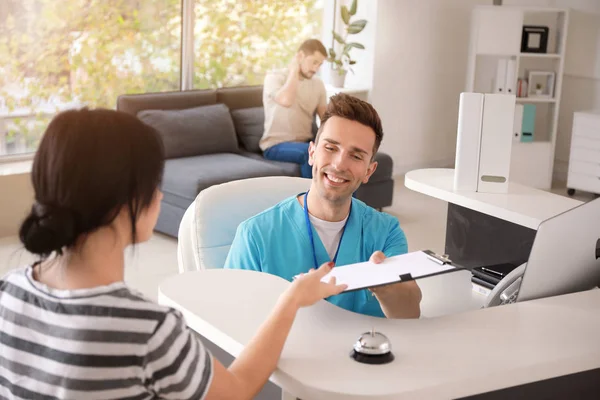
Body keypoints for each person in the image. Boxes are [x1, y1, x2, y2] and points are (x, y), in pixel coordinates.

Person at [0, 108, 346, 400]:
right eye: (155, 181)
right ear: (125, 201)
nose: (161, 195)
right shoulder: (146, 329)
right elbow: (236, 391)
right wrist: (292, 300)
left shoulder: (7, 293)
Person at [225, 94, 422, 319]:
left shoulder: (386, 232)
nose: (339, 164)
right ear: (312, 153)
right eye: (330, 148)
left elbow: (408, 316)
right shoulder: (255, 235)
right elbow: (231, 321)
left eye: (356, 156)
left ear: (369, 171)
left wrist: (386, 288)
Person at [260, 38, 328, 178]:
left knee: (344, 157)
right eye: (314, 62)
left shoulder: (318, 84)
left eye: (320, 64)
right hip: (275, 145)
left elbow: (326, 119)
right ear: (300, 56)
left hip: (305, 142)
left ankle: (349, 201)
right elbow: (286, 100)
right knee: (309, 153)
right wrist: (294, 71)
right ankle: (312, 200)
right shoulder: (274, 77)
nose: (316, 69)